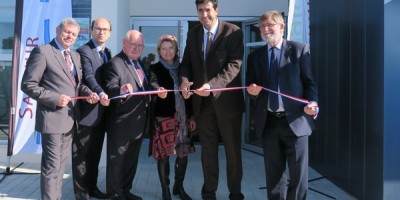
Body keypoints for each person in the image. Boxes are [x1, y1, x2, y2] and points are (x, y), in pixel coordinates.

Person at [20, 18, 99, 200]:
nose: (70, 36)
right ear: (57, 30)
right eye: (67, 32)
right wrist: (55, 98)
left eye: (74, 34)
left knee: (60, 169)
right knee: (51, 167)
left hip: (70, 120)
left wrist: (89, 94)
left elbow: (76, 86)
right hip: (53, 119)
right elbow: (28, 84)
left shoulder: (75, 55)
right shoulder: (43, 52)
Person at [246, 10, 318, 200]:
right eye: (262, 26)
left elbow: (309, 83)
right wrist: (252, 92)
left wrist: (312, 103)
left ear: (281, 27)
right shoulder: (255, 57)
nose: (265, 29)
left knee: (298, 177)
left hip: (296, 122)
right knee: (274, 176)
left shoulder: (299, 50)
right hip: (269, 123)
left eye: (270, 25)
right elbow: (251, 86)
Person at [179, 0, 245, 199]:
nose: (204, 14)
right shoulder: (193, 34)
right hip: (203, 106)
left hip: (228, 106)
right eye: (200, 10)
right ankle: (209, 194)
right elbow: (186, 64)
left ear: (216, 10)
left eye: (208, 10)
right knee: (208, 153)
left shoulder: (233, 32)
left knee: (233, 154)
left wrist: (212, 85)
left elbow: (235, 65)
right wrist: (183, 82)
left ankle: (235, 194)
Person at [102, 30, 151, 200]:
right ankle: (115, 195)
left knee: (131, 161)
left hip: (137, 122)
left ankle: (125, 190)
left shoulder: (139, 63)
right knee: (117, 161)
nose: (137, 48)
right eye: (133, 44)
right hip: (121, 123)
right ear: (124, 43)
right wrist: (120, 90)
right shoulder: (115, 63)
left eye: (140, 46)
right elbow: (109, 87)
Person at [148, 35, 196, 200]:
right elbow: (152, 83)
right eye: (163, 48)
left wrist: (192, 117)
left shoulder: (184, 68)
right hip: (164, 119)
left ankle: (178, 186)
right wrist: (157, 89)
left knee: (182, 156)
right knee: (164, 157)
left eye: (170, 48)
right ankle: (166, 190)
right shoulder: (155, 68)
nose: (167, 51)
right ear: (159, 51)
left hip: (182, 119)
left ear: (176, 50)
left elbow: (191, 94)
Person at [72, 17, 112, 199]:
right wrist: (101, 93)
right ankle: (81, 194)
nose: (101, 32)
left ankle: (92, 187)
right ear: (91, 30)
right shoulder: (84, 51)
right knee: (82, 155)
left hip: (102, 114)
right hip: (87, 113)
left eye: (105, 29)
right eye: (98, 29)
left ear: (109, 33)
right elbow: (89, 77)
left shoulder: (107, 52)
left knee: (95, 154)